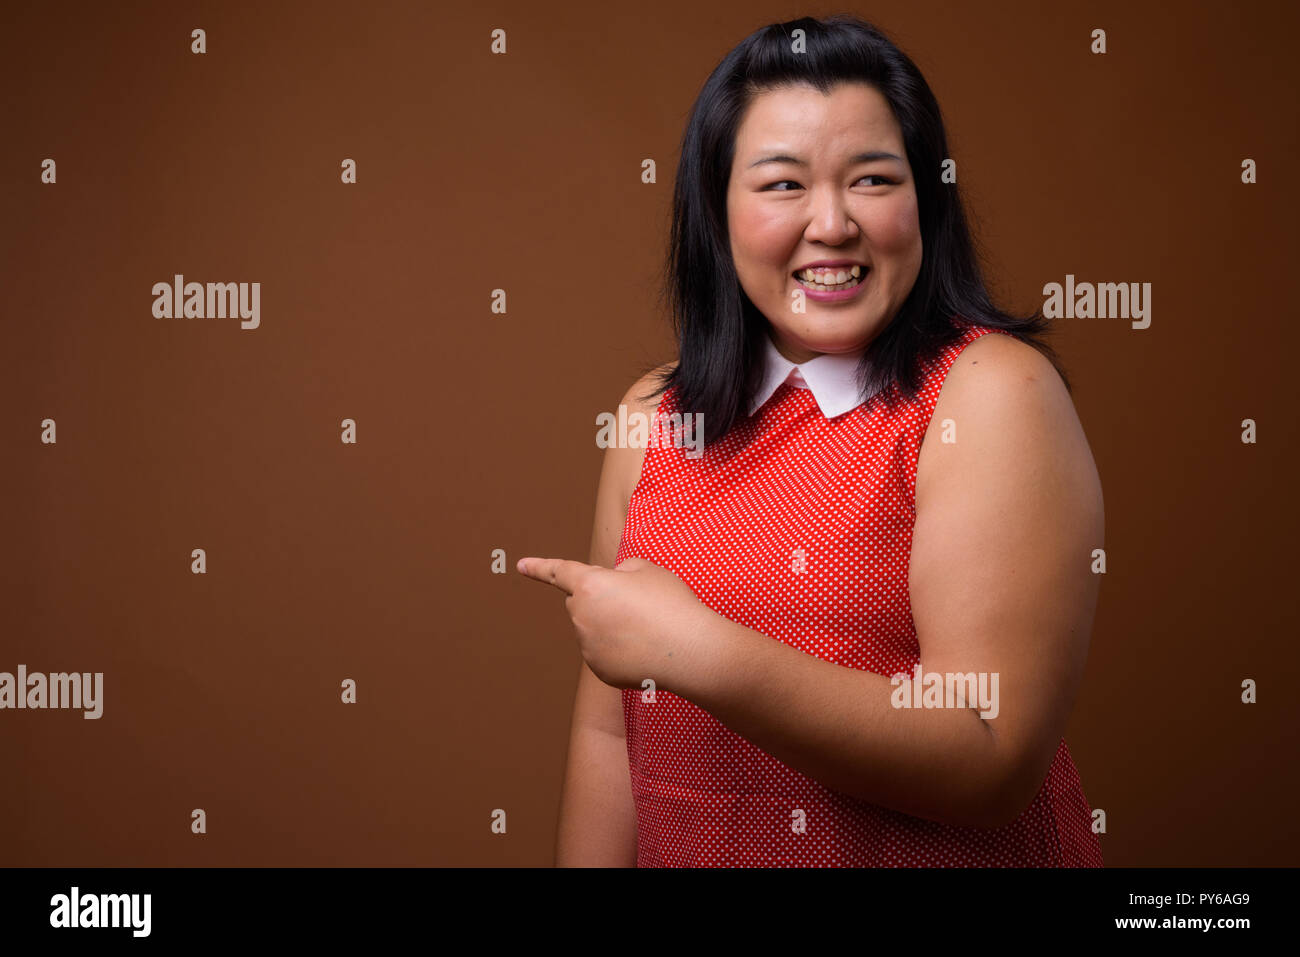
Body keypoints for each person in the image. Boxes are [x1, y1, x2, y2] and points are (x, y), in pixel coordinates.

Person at [519, 14, 1104, 867]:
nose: (831, 224)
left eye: (872, 178)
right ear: (715, 214)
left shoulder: (991, 394)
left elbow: (991, 755)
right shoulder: (653, 414)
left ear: (925, 198)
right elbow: (612, 737)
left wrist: (701, 653)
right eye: (782, 185)